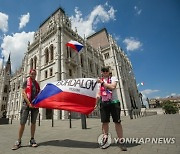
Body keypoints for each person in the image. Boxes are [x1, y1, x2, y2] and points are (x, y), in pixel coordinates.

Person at [95, 66, 127, 151]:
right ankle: (105, 139)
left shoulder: (113, 78)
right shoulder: (99, 82)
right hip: (104, 103)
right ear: (101, 72)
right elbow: (98, 94)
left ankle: (121, 141)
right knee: (105, 122)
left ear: (109, 72)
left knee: (117, 122)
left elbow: (112, 87)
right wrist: (95, 103)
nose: (105, 72)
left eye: (107, 71)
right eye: (103, 71)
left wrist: (102, 82)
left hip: (114, 102)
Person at [12, 69, 40, 150]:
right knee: (22, 123)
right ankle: (18, 141)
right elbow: (23, 93)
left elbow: (39, 94)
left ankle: (32, 139)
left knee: (33, 123)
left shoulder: (37, 84)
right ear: (30, 74)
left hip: (34, 106)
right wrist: (29, 103)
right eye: (32, 74)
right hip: (26, 105)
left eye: (35, 74)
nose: (33, 75)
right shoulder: (26, 81)